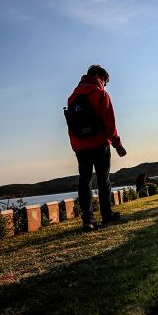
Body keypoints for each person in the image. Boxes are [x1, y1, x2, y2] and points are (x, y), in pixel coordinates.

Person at [66, 64, 127, 232]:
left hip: (80, 146)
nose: (105, 85)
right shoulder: (101, 95)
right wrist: (118, 145)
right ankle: (106, 215)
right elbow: (110, 124)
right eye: (105, 82)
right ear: (100, 78)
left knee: (84, 181)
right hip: (99, 143)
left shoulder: (72, 97)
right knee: (103, 180)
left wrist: (76, 146)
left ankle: (88, 220)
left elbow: (70, 125)